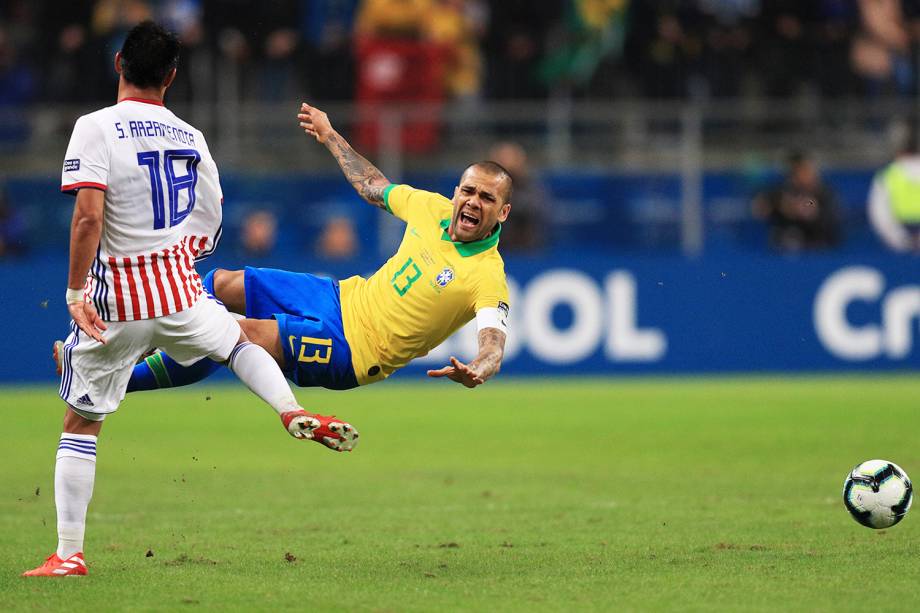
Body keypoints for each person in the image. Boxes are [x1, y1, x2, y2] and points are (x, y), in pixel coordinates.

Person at [23, 22, 356, 580]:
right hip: (179, 290)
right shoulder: (191, 136)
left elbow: (87, 215)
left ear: (118, 63)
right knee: (236, 341)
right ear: (172, 76)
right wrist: (177, 255)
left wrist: (76, 291)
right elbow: (212, 220)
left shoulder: (94, 127)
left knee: (80, 425)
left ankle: (69, 554)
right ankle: (290, 409)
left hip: (117, 300)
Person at [120, 100, 511, 399]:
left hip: (355, 351)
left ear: (503, 212)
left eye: (487, 198)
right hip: (340, 298)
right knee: (220, 282)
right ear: (456, 192)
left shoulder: (487, 275)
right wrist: (329, 134)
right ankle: (137, 344)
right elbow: (371, 185)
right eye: (468, 190)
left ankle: (117, 381)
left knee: (233, 333)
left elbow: (493, 344)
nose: (474, 202)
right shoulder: (431, 208)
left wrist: (478, 367)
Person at [752, 151, 841, 252]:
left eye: (807, 170)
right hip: (784, 246)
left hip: (818, 247)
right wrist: (779, 206)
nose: (803, 175)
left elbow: (811, 204)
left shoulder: (824, 193)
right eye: (798, 171)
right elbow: (763, 205)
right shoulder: (781, 191)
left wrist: (804, 207)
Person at [868, 124, 920, 252]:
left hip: (900, 241)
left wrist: (902, 240)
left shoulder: (887, 176)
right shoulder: (888, 176)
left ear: (898, 151)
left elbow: (879, 215)